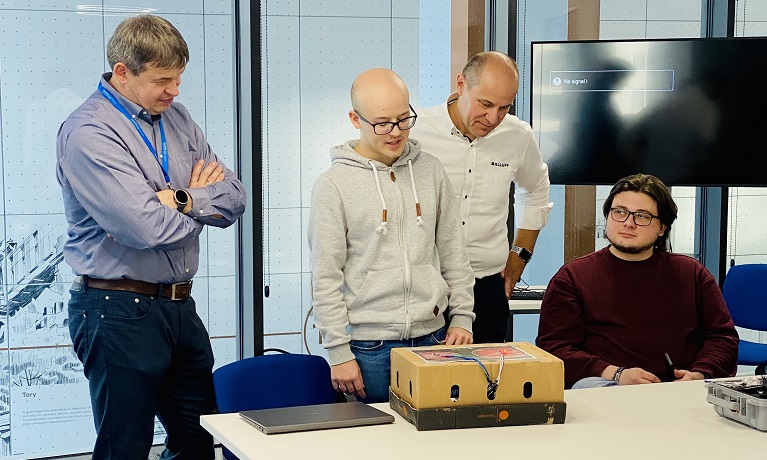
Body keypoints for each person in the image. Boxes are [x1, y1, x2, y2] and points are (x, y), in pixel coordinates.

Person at [56, 15, 246, 459]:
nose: (174, 91)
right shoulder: (90, 132)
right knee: (126, 447)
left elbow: (234, 198)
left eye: (178, 78)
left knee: (198, 440)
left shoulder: (177, 119)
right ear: (122, 71)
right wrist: (201, 201)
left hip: (179, 307)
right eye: (163, 80)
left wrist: (178, 198)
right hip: (116, 309)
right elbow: (144, 227)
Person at [308, 68, 475, 404]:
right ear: (355, 119)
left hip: (435, 338)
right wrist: (338, 352)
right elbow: (325, 276)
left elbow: (453, 252)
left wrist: (462, 317)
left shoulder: (430, 170)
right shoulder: (333, 185)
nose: (396, 132)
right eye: (383, 123)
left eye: (404, 119)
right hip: (369, 348)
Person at [536, 173, 738, 389]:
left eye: (642, 216)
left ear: (663, 228)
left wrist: (699, 373)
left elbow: (722, 338)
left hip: (679, 388)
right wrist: (616, 374)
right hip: (607, 385)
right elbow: (554, 348)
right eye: (620, 212)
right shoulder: (572, 277)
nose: (628, 223)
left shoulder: (692, 274)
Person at [411, 51, 553, 344]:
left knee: (484, 383)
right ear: (460, 84)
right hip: (423, 286)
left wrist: (520, 255)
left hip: (487, 288)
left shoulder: (517, 136)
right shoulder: (416, 132)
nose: (493, 118)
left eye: (504, 107)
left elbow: (537, 190)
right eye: (485, 104)